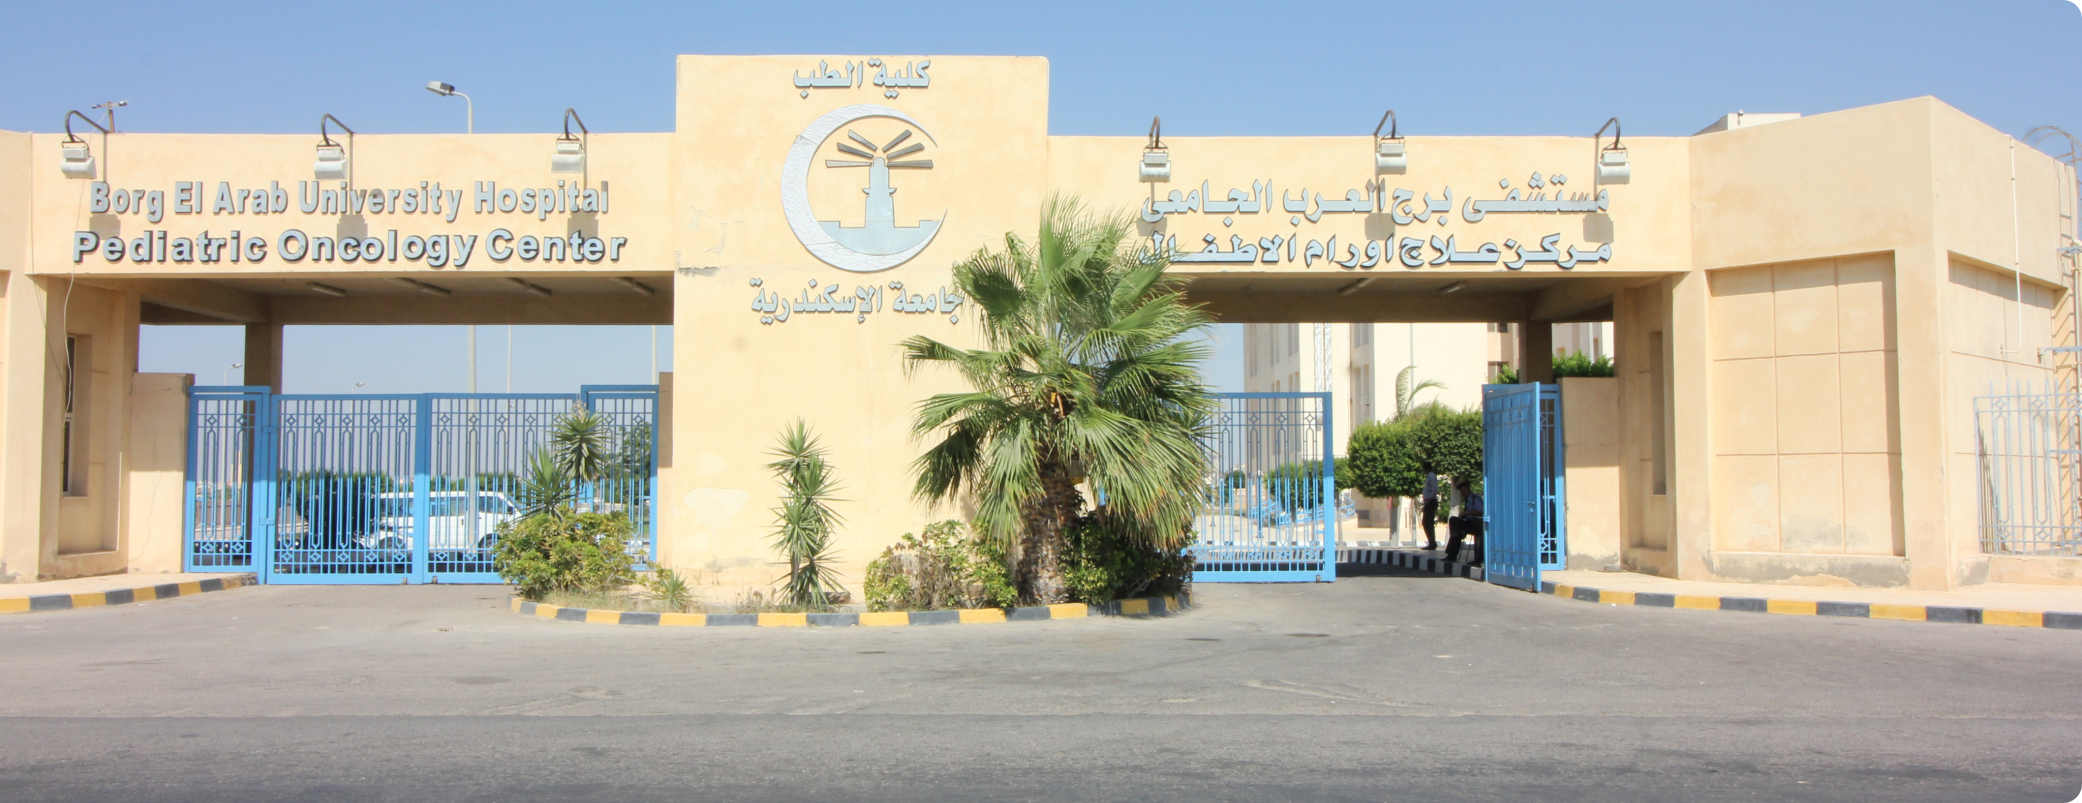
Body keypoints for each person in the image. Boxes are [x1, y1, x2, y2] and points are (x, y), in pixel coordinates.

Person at [1444, 480, 1484, 565]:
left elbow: (1480, 510)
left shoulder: (1475, 498)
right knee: (1453, 520)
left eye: (1464, 490)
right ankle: (1452, 554)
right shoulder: (1466, 500)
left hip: (1477, 523)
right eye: (1461, 491)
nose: (1463, 493)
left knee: (1458, 531)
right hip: (1469, 522)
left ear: (1468, 490)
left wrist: (1466, 513)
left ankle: (1458, 532)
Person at [1419, 472, 1440, 550]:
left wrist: (1430, 498)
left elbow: (1434, 489)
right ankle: (1432, 542)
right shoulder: (1429, 476)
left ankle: (1432, 542)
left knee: (1427, 522)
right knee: (1428, 522)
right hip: (1428, 501)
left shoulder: (1432, 476)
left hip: (1431, 501)